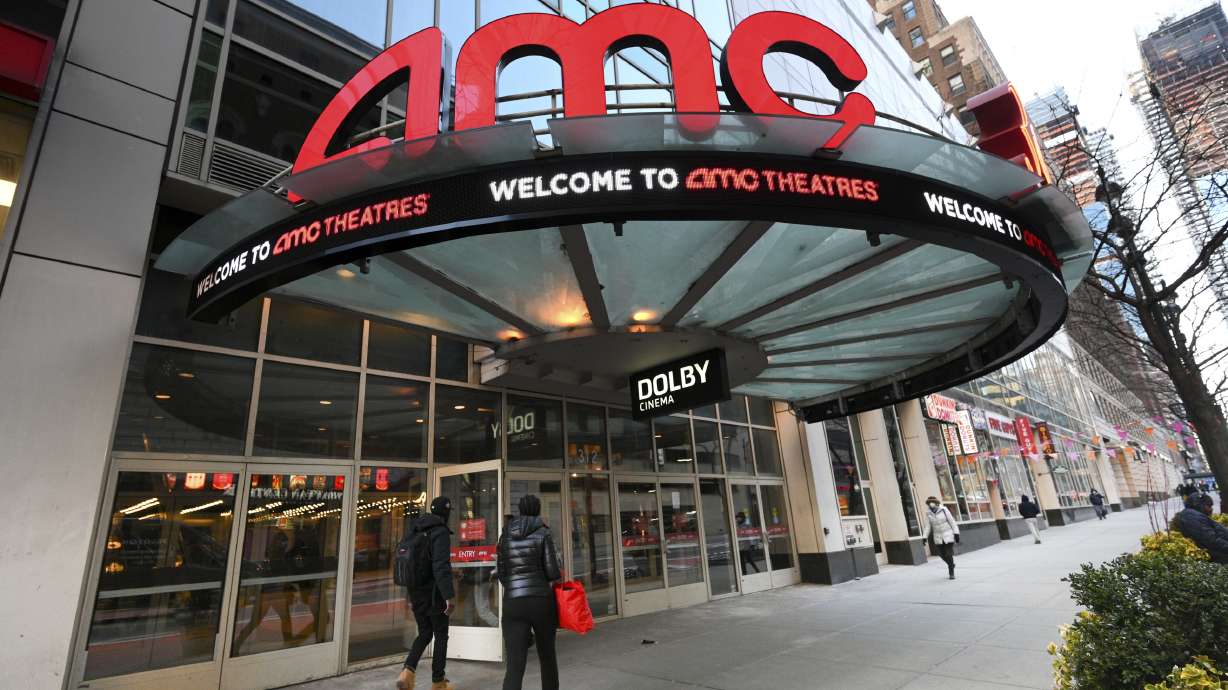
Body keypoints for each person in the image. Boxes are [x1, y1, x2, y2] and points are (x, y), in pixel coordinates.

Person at [497, 494, 562, 690]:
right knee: (547, 657)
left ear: (520, 510)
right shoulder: (544, 532)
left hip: (513, 602)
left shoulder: (505, 534)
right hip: (541, 601)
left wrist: (515, 585)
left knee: (515, 665)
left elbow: (502, 573)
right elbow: (553, 572)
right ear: (538, 509)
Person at [398, 497, 456, 690]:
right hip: (433, 594)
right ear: (446, 513)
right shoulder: (440, 532)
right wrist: (448, 596)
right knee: (441, 635)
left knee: (424, 632)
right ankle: (438, 682)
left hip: (415, 591)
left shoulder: (415, 529)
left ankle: (407, 672)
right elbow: (440, 566)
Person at [1174, 492, 1228, 564]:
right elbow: (1211, 540)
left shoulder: (1195, 515)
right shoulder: (1192, 517)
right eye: (1209, 506)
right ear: (1200, 505)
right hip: (1218, 555)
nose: (1211, 509)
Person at [920, 496, 960, 579]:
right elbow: (927, 526)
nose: (931, 504)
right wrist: (924, 537)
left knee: (948, 554)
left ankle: (951, 572)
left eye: (932, 502)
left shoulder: (944, 510)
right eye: (929, 503)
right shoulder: (928, 513)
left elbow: (952, 522)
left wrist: (956, 533)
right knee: (941, 554)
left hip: (948, 534)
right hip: (938, 536)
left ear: (936, 503)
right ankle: (951, 564)